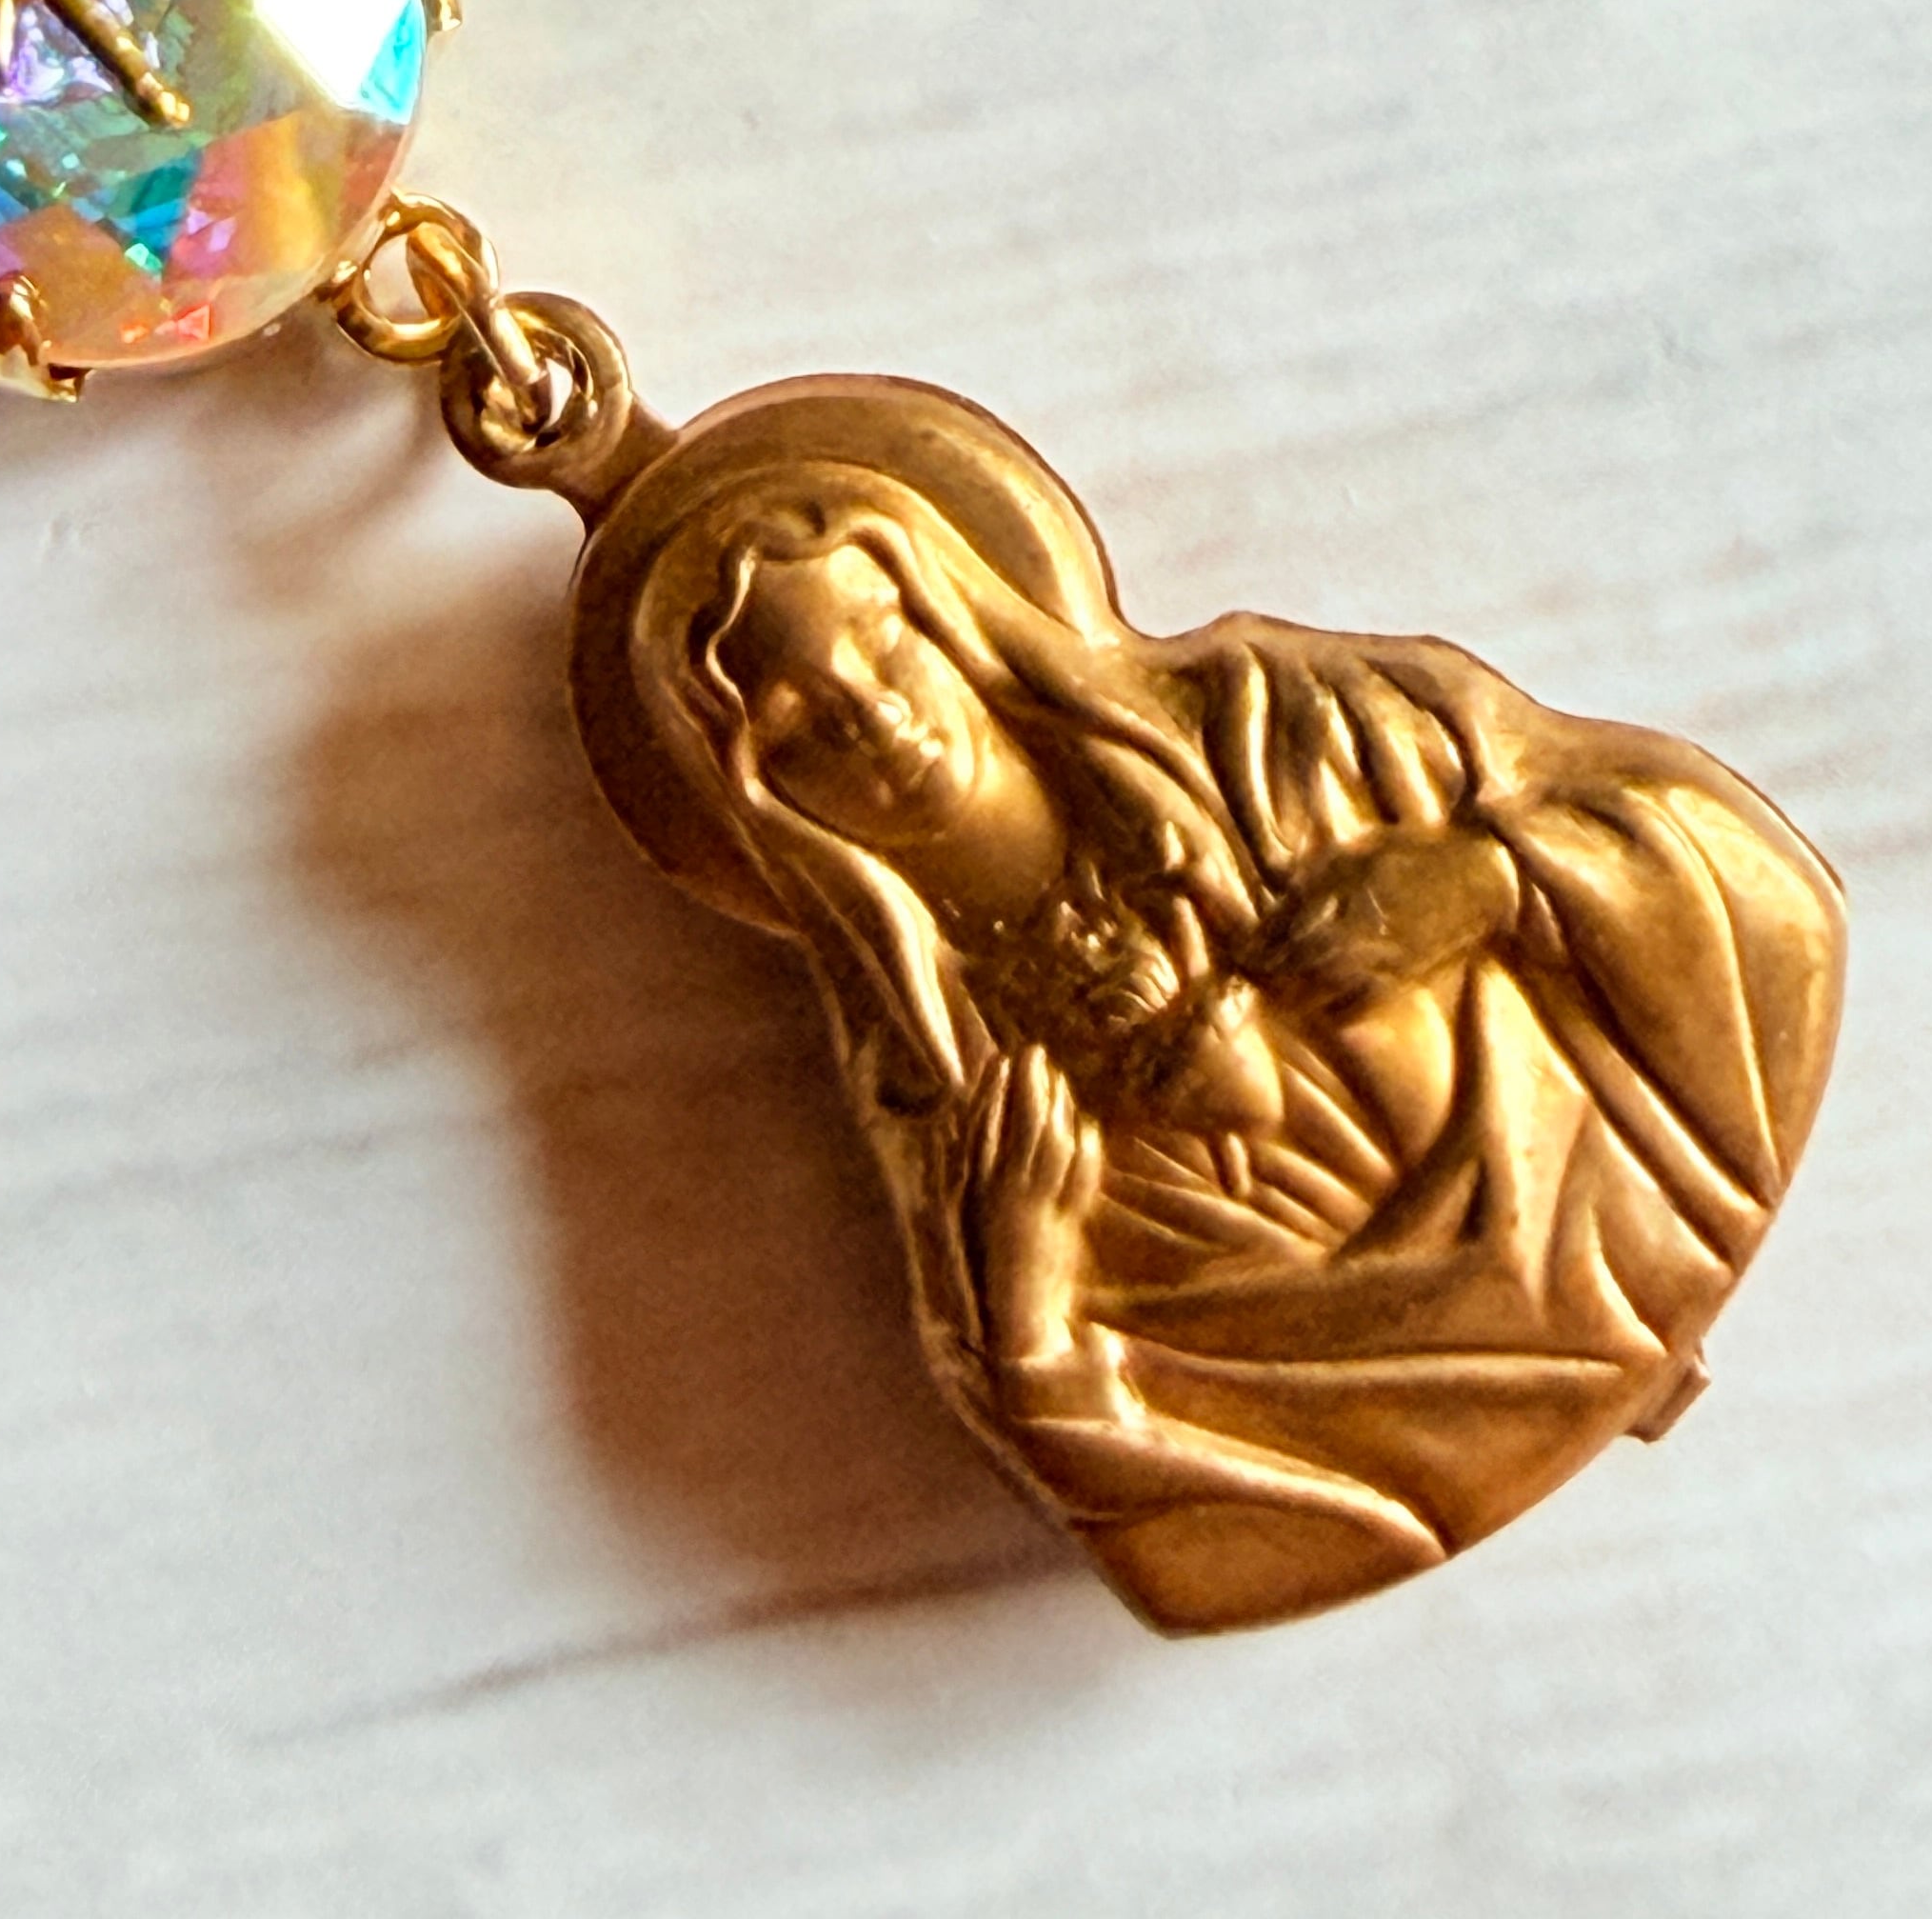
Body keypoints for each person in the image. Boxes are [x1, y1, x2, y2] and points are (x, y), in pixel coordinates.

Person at [617, 434, 1843, 1633]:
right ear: (762, 803)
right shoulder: (945, 1092)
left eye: (886, 642)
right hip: (1376, 1469)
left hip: (1647, 1191)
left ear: (952, 614)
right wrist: (1030, 1317)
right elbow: (1160, 1541)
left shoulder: (1282, 733)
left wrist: (1486, 876)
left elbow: (1727, 868)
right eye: (799, 725)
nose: (874, 714)